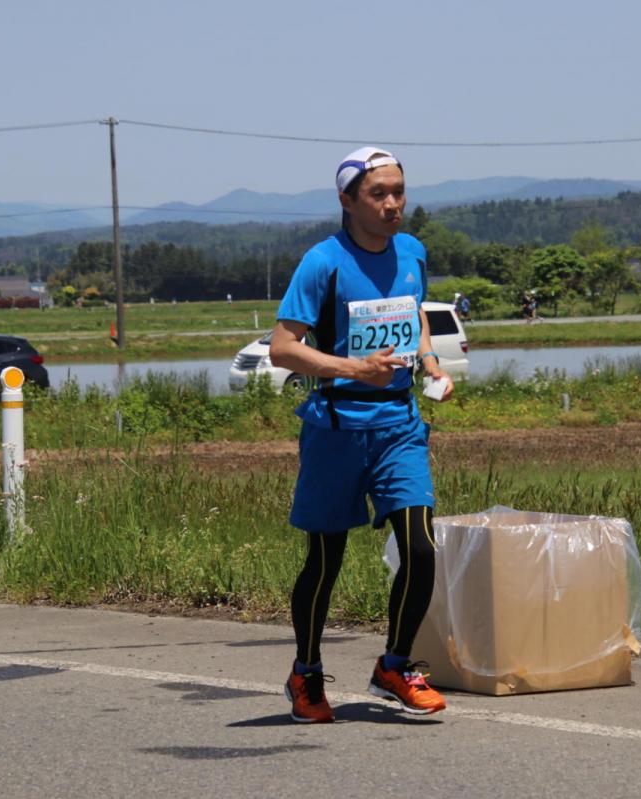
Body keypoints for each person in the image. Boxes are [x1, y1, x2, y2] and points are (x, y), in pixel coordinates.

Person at [269, 146, 452, 724]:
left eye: (399, 190)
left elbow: (415, 311)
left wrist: (430, 361)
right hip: (336, 427)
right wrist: (354, 369)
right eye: (379, 193)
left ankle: (394, 664)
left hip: (398, 423)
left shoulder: (413, 251)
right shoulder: (322, 262)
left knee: (420, 546)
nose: (393, 203)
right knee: (325, 561)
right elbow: (282, 348)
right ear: (347, 200)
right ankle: (306, 673)